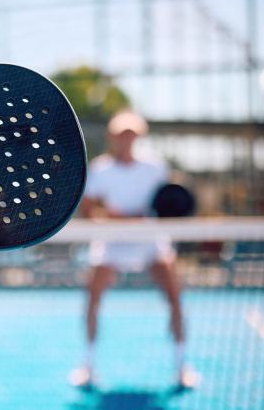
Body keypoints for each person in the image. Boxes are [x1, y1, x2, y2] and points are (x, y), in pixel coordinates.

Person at [69, 111, 198, 390]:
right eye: (121, 134)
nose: (126, 139)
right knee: (92, 299)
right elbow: (89, 210)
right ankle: (88, 365)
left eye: (131, 134)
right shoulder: (100, 169)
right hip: (112, 244)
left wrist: (137, 218)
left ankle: (181, 365)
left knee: (175, 298)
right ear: (112, 137)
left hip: (151, 243)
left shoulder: (155, 167)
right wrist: (115, 218)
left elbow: (167, 204)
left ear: (138, 137)